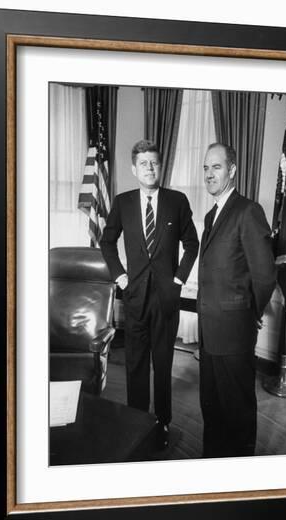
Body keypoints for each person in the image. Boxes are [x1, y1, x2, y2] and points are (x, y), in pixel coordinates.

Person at [100, 139, 199, 450]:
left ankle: (163, 424)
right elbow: (107, 242)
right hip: (135, 298)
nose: (150, 168)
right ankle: (137, 422)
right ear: (134, 169)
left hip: (166, 301)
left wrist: (178, 280)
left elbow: (192, 244)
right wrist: (120, 277)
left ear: (161, 166)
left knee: (163, 364)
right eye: (144, 163)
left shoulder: (177, 201)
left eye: (154, 162)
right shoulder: (122, 202)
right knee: (135, 365)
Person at [197, 142, 276, 458]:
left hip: (234, 333)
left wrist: (249, 313)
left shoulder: (248, 211)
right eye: (205, 168)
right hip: (208, 333)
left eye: (216, 167)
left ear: (232, 170)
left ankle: (242, 478)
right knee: (212, 407)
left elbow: (265, 275)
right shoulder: (209, 216)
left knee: (238, 412)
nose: (209, 174)